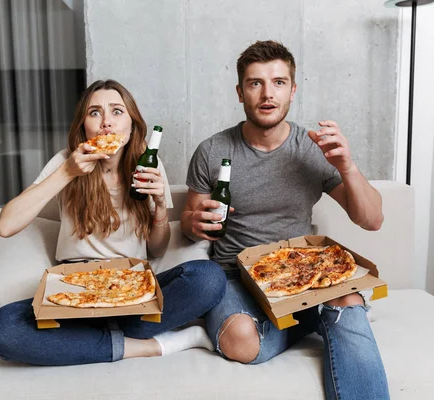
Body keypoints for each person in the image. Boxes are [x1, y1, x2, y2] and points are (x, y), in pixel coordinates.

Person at [181, 41, 390, 399]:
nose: (267, 93)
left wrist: (347, 167)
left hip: (306, 273)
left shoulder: (311, 148)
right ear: (239, 92)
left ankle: (320, 312)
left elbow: (372, 220)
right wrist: (194, 222)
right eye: (255, 83)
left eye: (278, 82)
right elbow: (189, 220)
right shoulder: (213, 151)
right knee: (243, 344)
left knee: (350, 303)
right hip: (234, 274)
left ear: (292, 90)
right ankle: (314, 319)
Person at [0, 79, 226, 366]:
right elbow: (5, 226)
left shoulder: (147, 165)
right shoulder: (66, 161)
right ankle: (148, 346)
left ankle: (92, 341)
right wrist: (67, 172)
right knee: (2, 328)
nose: (106, 123)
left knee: (209, 277)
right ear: (83, 126)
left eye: (116, 111)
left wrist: (161, 205)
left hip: (132, 290)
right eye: (95, 113)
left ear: (132, 125)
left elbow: (157, 250)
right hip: (75, 294)